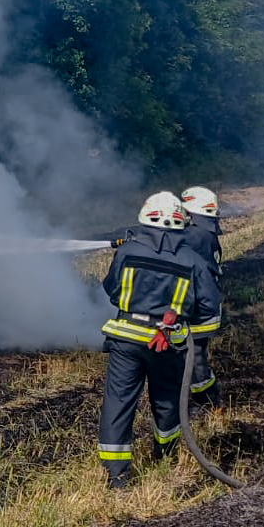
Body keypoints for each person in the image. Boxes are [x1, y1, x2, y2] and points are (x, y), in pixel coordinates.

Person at [98, 191, 222, 489]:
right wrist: (177, 313)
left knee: (118, 403)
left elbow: (113, 291)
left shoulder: (126, 252)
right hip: (168, 344)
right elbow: (208, 305)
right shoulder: (192, 259)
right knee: (166, 401)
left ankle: (117, 477)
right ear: (182, 222)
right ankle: (163, 456)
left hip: (125, 340)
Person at [180, 185, 223, 410]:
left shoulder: (196, 235)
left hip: (200, 309)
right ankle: (205, 397)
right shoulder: (206, 233)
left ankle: (208, 400)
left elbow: (170, 244)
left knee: (193, 356)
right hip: (205, 305)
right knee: (195, 355)